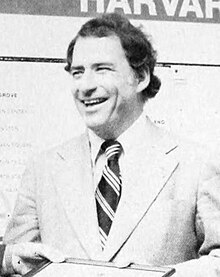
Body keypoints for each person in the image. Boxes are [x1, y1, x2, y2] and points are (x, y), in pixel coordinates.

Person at [1, 12, 220, 276]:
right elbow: (15, 259)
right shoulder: (42, 168)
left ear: (141, 78)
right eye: (77, 72)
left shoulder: (197, 163)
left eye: (102, 69)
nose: (85, 86)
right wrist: (11, 259)